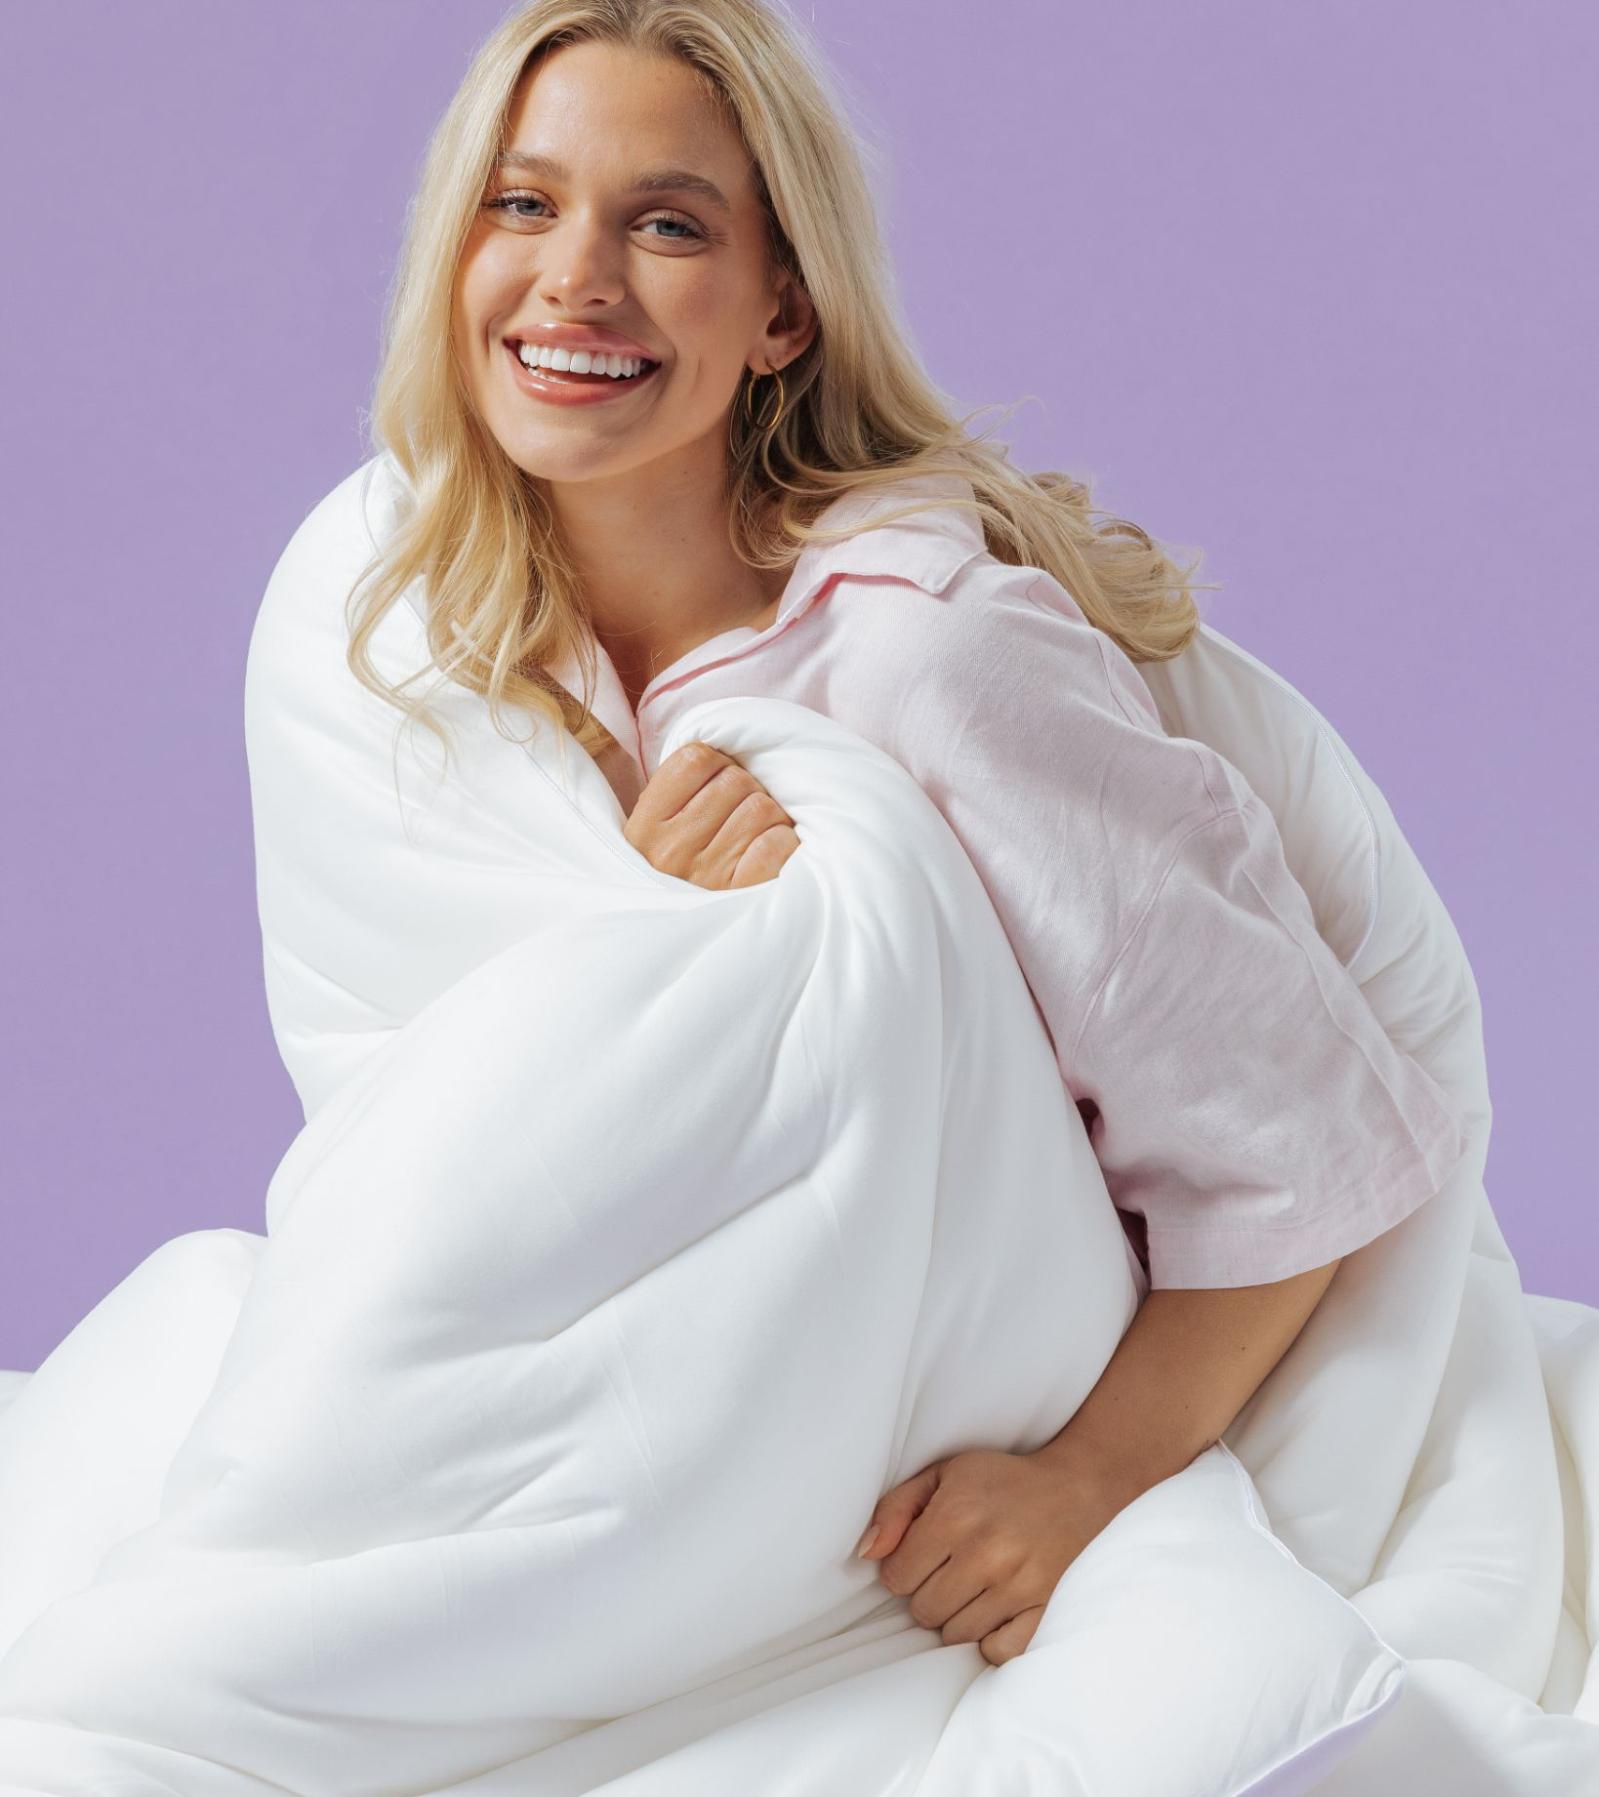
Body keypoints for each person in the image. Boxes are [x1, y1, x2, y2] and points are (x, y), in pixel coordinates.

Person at [340, 0, 1469, 1666]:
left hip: (1004, 1442)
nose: (576, 277)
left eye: (666, 224)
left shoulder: (929, 659)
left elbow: (1299, 1142)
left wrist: (1080, 1486)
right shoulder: (449, 643)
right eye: (523, 204)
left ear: (782, 310)